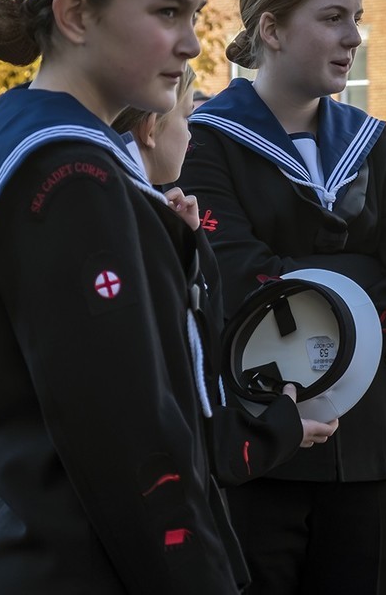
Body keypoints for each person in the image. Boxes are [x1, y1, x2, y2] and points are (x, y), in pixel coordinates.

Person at [0, 0, 248, 593]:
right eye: (168, 13)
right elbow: (128, 435)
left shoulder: (43, 148)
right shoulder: (72, 176)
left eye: (192, 15)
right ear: (76, 14)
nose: (191, 42)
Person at [177, 0, 386, 595]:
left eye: (355, 17)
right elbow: (236, 283)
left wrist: (297, 285)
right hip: (258, 447)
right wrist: (360, 268)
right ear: (270, 27)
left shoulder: (377, 143)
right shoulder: (206, 141)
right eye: (332, 18)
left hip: (369, 457)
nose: (353, 36)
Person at [113, 65, 335, 484]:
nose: (192, 136)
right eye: (185, 120)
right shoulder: (130, 226)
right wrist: (274, 432)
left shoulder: (137, 213)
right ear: (149, 129)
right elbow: (183, 387)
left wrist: (191, 241)